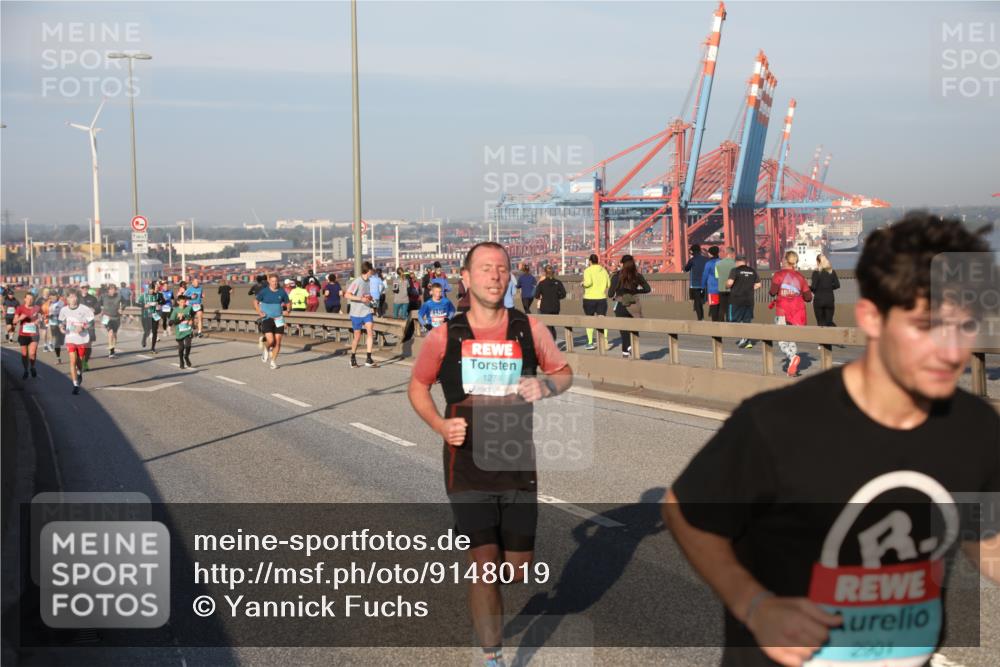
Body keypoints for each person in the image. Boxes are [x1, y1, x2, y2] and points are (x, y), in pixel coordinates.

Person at [663, 212, 1000, 667]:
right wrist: (754, 605)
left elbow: (989, 538)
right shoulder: (777, 424)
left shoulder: (975, 428)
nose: (952, 351)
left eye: (964, 326)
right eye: (925, 326)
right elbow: (684, 510)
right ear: (871, 317)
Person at [408, 242, 573, 667]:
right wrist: (441, 426)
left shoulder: (528, 328)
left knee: (515, 570)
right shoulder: (444, 334)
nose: (495, 276)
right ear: (465, 278)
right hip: (465, 464)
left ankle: (479, 539)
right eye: (485, 269)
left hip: (517, 462)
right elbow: (417, 386)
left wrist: (547, 386)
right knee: (484, 565)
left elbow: (563, 372)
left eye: (502, 269)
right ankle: (492, 657)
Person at [769, 251, 812, 377]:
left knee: (781, 338)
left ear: (786, 261)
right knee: (791, 338)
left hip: (782, 311)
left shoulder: (779, 275)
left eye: (783, 258)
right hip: (797, 313)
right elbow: (808, 297)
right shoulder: (800, 277)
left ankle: (792, 357)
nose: (781, 260)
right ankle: (791, 368)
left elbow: (772, 292)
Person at [609, 254, 651, 358]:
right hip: (634, 305)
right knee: (634, 329)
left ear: (622, 264)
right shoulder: (637, 276)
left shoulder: (616, 276)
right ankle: (631, 348)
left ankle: (627, 350)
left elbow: (610, 294)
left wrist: (617, 293)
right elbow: (647, 289)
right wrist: (635, 290)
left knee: (624, 331)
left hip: (621, 305)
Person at [58, 289, 95, 395]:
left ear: (77, 297)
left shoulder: (84, 309)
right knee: (72, 361)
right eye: (70, 297)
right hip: (70, 338)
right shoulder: (64, 310)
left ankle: (79, 372)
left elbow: (91, 323)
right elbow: (61, 322)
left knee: (79, 361)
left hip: (82, 339)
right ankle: (75, 385)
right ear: (67, 299)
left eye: (74, 297)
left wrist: (83, 327)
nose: (73, 299)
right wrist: (61, 328)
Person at [345, 261, 379, 368]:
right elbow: (347, 295)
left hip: (366, 311)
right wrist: (361, 299)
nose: (372, 272)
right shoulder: (357, 282)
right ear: (368, 271)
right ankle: (353, 357)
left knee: (370, 331)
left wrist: (369, 298)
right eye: (371, 270)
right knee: (357, 337)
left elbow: (366, 295)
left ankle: (368, 358)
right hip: (356, 313)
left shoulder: (369, 281)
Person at [253, 273, 290, 370]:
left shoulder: (282, 292)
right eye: (273, 281)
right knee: (271, 341)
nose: (274, 283)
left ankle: (273, 361)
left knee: (277, 342)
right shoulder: (264, 291)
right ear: (269, 281)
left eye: (276, 281)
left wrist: (288, 310)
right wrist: (260, 312)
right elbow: (255, 302)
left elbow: (288, 302)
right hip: (267, 319)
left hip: (279, 319)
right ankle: (266, 349)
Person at [726, 254, 762, 349]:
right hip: (749, 300)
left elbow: (729, 283)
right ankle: (748, 340)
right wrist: (750, 288)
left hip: (736, 299)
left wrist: (727, 285)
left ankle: (744, 338)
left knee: (734, 320)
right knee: (747, 320)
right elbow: (758, 285)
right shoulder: (752, 271)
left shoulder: (735, 270)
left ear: (737, 262)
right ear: (745, 262)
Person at [581, 254, 610, 350]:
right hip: (601, 298)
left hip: (589, 298)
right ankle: (605, 340)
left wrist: (583, 284)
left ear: (590, 261)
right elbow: (608, 284)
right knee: (602, 319)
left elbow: (588, 283)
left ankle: (590, 342)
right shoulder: (604, 270)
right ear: (597, 261)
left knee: (589, 320)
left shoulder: (587, 271)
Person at [534, 265, 567, 341]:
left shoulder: (541, 283)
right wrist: (557, 297)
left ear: (545, 273)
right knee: (551, 325)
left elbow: (536, 295)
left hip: (545, 307)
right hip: (555, 307)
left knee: (548, 326)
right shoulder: (558, 282)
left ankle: (551, 342)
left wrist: (542, 297)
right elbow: (564, 294)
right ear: (553, 272)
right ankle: (552, 341)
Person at [13, 292, 41, 378]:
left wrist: (39, 321)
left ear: (33, 300)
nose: (29, 300)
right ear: (25, 299)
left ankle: (32, 367)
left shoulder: (37, 308)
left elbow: (42, 317)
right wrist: (20, 318)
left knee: (32, 353)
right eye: (28, 298)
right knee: (24, 355)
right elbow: (14, 321)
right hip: (23, 335)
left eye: (31, 299)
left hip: (34, 334)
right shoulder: (20, 308)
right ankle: (25, 370)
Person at [810, 254, 841, 327]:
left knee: (820, 323)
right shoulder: (832, 272)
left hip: (819, 300)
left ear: (818, 262)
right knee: (829, 322)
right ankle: (832, 337)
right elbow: (837, 285)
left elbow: (813, 287)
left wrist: (808, 287)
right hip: (830, 300)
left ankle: (821, 337)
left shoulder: (816, 272)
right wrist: (829, 287)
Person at [169, 292, 196, 370]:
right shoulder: (175, 310)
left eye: (184, 302)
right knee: (181, 348)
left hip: (188, 330)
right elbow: (170, 323)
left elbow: (193, 314)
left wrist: (191, 320)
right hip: (179, 332)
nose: (183, 303)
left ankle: (186, 357)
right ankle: (181, 361)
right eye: (181, 302)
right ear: (178, 302)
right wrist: (179, 319)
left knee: (188, 345)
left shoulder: (189, 307)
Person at [684, 244, 709, 321]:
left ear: (692, 252)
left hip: (695, 284)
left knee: (697, 301)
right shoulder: (706, 259)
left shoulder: (692, 260)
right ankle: (702, 317)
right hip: (704, 284)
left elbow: (686, 269)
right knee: (701, 301)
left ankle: (700, 318)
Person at [100, 283, 124, 358]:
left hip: (116, 317)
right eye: (111, 289)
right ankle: (111, 352)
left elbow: (125, 303)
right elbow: (98, 304)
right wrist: (100, 310)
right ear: (108, 290)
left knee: (115, 334)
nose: (112, 291)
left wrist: (121, 308)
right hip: (106, 317)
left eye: (114, 289)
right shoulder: (103, 296)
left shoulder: (119, 296)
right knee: (110, 332)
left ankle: (112, 349)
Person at [714, 246, 737, 322]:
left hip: (721, 289)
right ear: (732, 254)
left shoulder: (718, 263)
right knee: (730, 308)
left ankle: (721, 326)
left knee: (722, 308)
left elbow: (717, 276)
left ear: (726, 253)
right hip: (732, 289)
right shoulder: (736, 264)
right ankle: (729, 324)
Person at [702, 246, 723, 321]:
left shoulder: (709, 263)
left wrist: (702, 286)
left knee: (714, 308)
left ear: (710, 254)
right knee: (721, 309)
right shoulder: (722, 262)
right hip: (723, 289)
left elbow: (705, 276)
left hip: (713, 290)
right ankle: (722, 326)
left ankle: (715, 327)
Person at [139, 281, 160, 352]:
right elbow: (137, 303)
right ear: (148, 289)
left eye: (152, 289)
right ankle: (144, 340)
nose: (151, 291)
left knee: (155, 331)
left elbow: (163, 301)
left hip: (154, 315)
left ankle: (153, 348)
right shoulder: (143, 295)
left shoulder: (157, 295)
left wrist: (158, 303)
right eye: (150, 289)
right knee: (147, 331)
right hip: (145, 316)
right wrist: (144, 305)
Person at [47, 291, 66, 364]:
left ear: (57, 296)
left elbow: (61, 312)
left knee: (62, 341)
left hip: (62, 323)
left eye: (54, 296)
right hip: (53, 324)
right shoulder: (49, 304)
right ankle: (58, 358)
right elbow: (48, 313)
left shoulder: (61, 303)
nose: (52, 298)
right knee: (56, 342)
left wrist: (54, 315)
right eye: (51, 296)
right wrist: (48, 316)